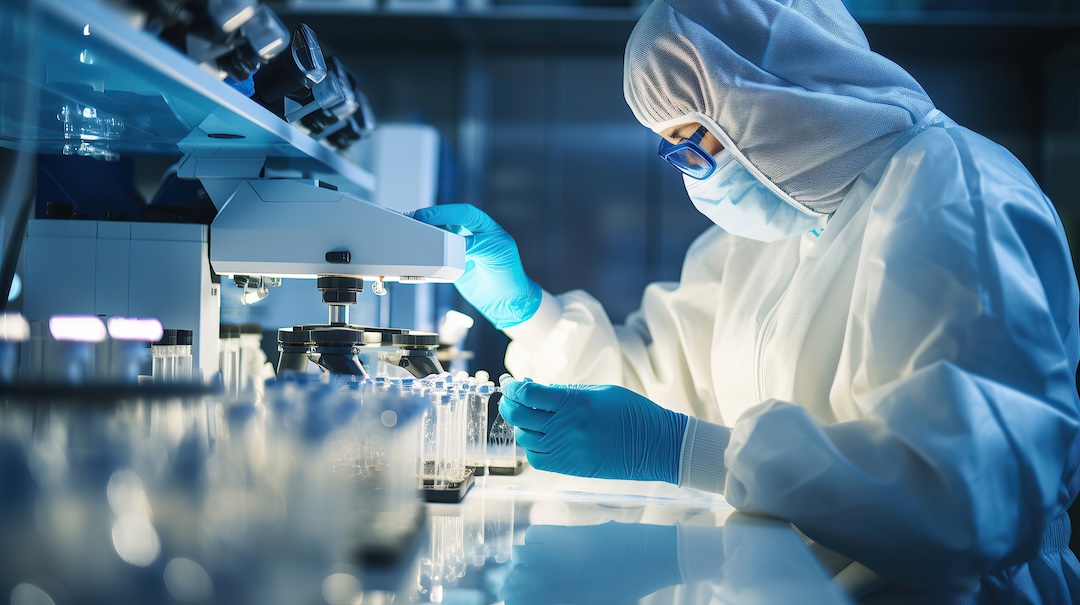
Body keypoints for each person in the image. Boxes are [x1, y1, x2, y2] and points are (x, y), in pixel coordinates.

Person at [410, 0, 1080, 599]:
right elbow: (654, 390)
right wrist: (529, 311)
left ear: (768, 109)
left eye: (689, 149)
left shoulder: (954, 195)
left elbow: (966, 503)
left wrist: (680, 450)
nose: (689, 180)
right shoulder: (766, 233)